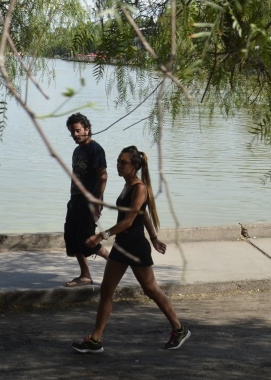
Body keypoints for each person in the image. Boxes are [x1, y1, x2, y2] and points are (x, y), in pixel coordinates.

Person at [72, 146, 189, 353]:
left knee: (151, 289)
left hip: (135, 246)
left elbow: (129, 221)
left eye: (122, 162)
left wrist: (101, 235)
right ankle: (95, 339)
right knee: (106, 290)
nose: (118, 165)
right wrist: (154, 237)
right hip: (122, 246)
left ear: (134, 166)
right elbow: (144, 214)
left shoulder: (139, 187)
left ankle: (179, 329)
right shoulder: (127, 186)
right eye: (117, 161)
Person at [63, 113, 108, 286]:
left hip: (89, 202)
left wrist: (97, 203)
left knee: (87, 239)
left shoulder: (95, 149)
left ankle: (115, 262)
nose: (75, 135)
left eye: (78, 131)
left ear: (87, 129)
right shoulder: (78, 150)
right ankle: (85, 275)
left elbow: (103, 176)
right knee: (72, 237)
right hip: (75, 200)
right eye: (72, 132)